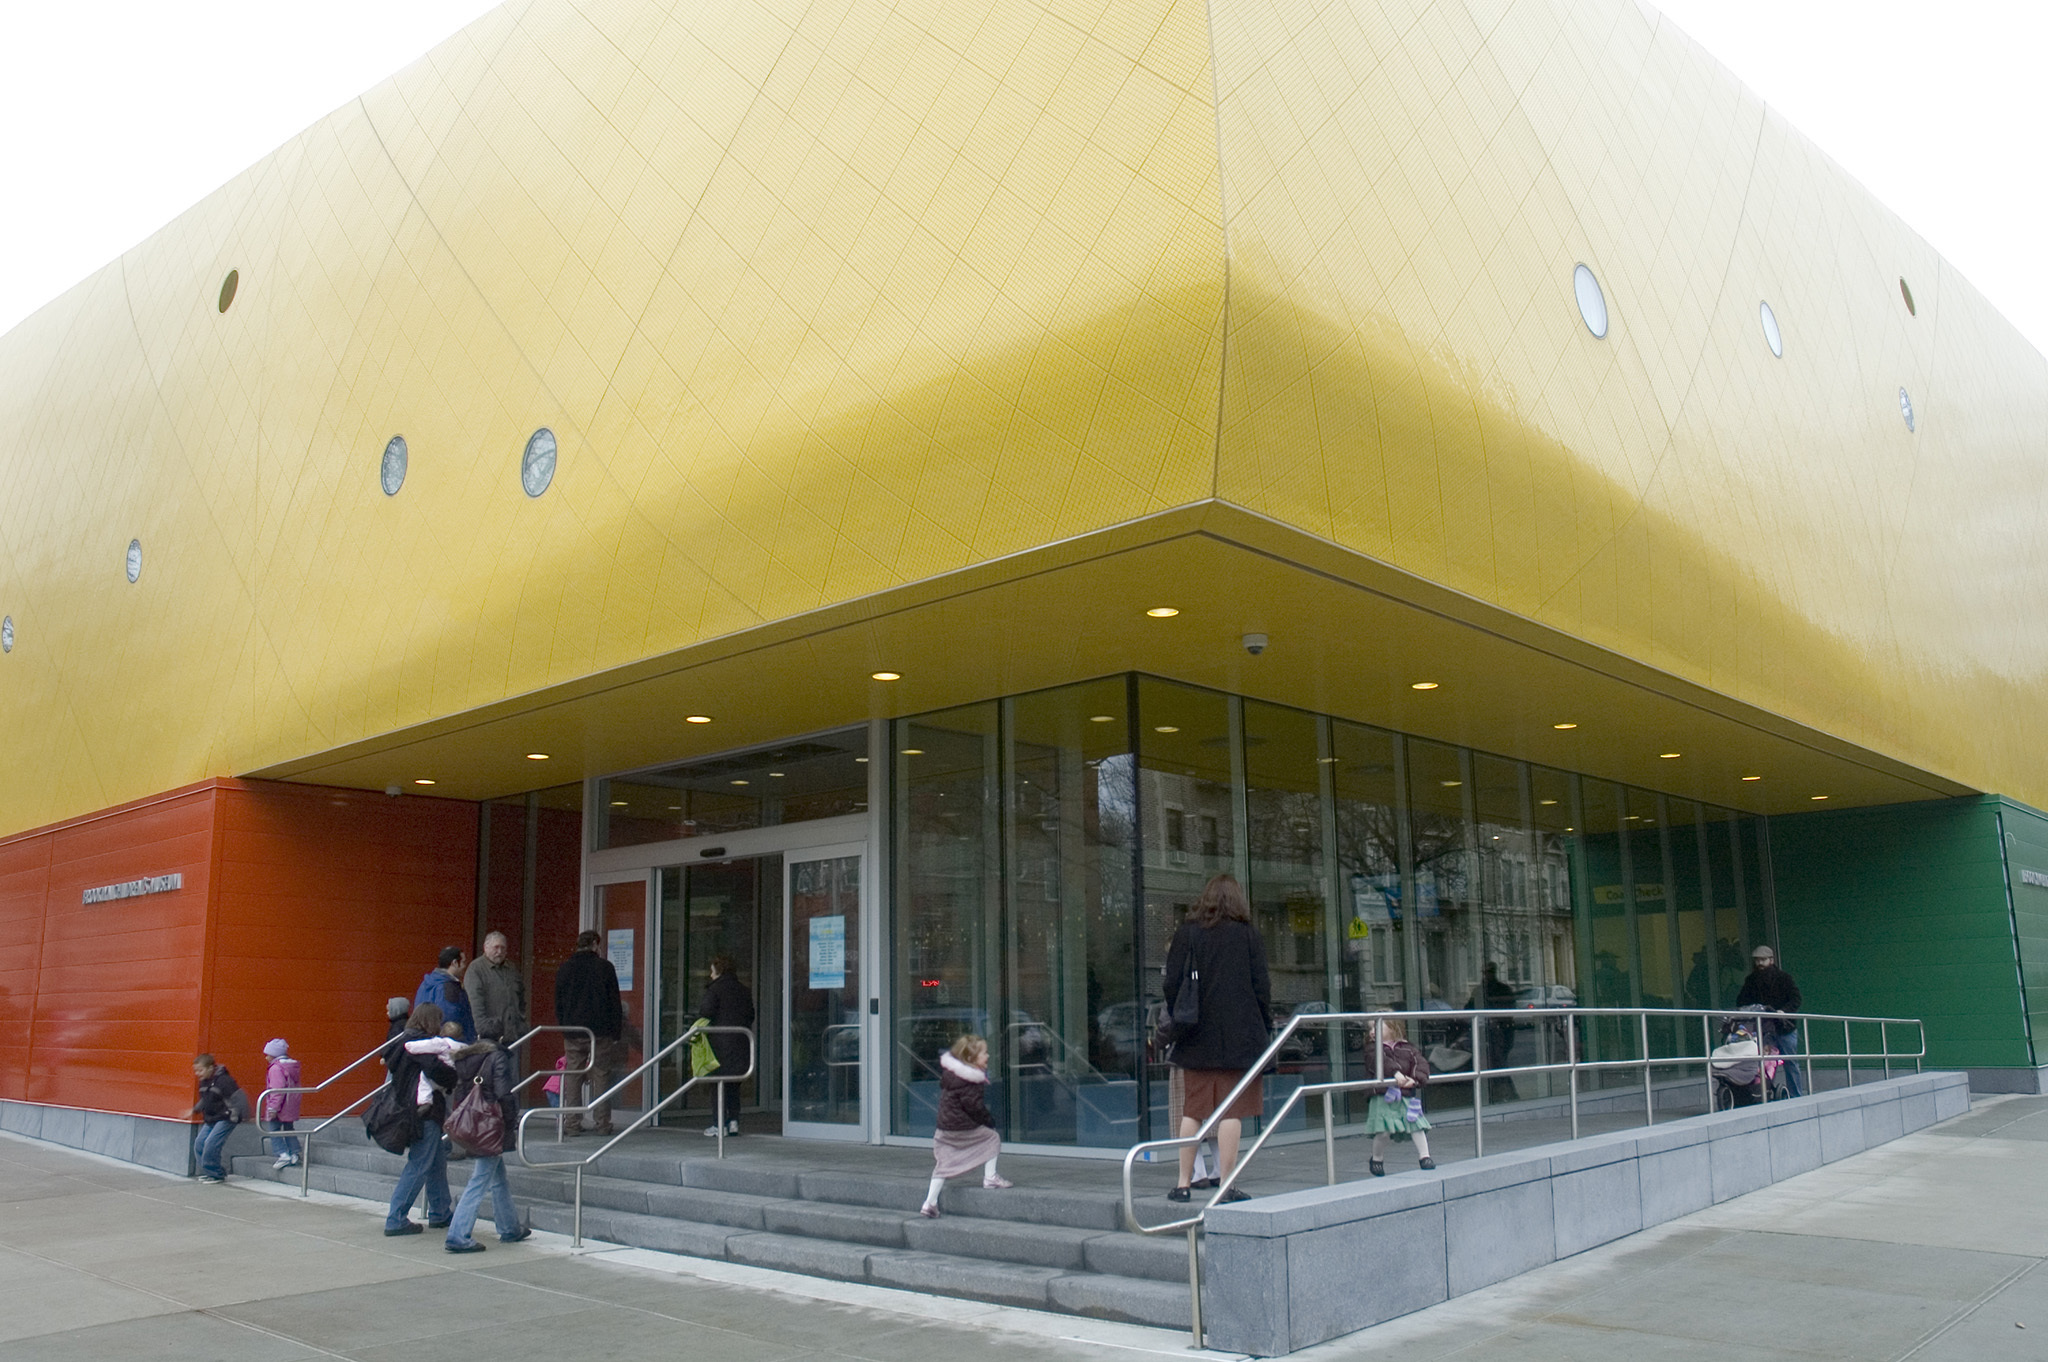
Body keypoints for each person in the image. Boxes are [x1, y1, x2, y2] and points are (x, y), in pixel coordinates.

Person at [1162, 873, 1271, 1203]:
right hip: (1240, 1035)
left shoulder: (1188, 933)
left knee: (1192, 1110)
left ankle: (1183, 1183)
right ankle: (1226, 1185)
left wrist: (1180, 1015)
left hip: (1196, 1033)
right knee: (1231, 1111)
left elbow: (1171, 983)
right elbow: (1261, 987)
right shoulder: (1248, 936)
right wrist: (1264, 1026)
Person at [443, 1019, 531, 1253]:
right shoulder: (498, 1056)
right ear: (500, 1038)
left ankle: (510, 1227)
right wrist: (511, 1122)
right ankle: (457, 1235)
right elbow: (504, 1092)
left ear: (479, 1035)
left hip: (474, 1123)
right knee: (480, 1179)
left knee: (497, 1176)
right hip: (491, 1124)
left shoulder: (465, 1057)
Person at [383, 1002, 458, 1235]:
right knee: (420, 1163)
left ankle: (441, 1211)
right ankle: (396, 1218)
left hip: (410, 1108)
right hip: (426, 1111)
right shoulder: (424, 1047)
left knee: (435, 1162)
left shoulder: (402, 1041)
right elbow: (444, 1074)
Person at [919, 1034, 1010, 1217]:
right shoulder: (971, 1080)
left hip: (944, 1127)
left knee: (943, 1162)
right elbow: (974, 1107)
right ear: (971, 1059)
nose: (988, 1056)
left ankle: (930, 1202)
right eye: (984, 1053)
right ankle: (990, 1177)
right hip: (961, 1126)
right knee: (992, 1138)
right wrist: (988, 1120)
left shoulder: (951, 1076)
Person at [554, 929, 625, 1136]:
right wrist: (615, 1032)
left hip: (573, 1031)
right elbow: (614, 1002)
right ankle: (602, 1123)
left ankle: (572, 1123)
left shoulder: (565, 968)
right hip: (600, 1031)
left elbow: (558, 1001)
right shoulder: (605, 968)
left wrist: (564, 1025)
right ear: (595, 944)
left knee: (573, 1076)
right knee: (601, 1075)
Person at [1363, 1013, 1435, 1175]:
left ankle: (1425, 1156)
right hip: (1383, 1094)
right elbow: (1378, 1061)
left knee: (1417, 1125)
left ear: (1393, 1027)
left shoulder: (1408, 1048)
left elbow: (1420, 1063)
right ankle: (1377, 1157)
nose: (1372, 1031)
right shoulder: (1372, 1049)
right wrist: (1395, 1073)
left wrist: (1415, 1079)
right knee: (1383, 1131)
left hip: (1406, 1094)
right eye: (1370, 1028)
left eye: (1377, 1027)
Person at [694, 953, 755, 1138]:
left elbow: (706, 1011)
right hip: (740, 1041)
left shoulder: (715, 989)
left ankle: (718, 1124)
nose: (710, 975)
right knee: (734, 1085)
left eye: (712, 971)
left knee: (717, 1084)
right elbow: (751, 1014)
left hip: (719, 1043)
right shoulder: (744, 990)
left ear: (718, 971)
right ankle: (734, 1122)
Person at [1737, 945, 1804, 1097]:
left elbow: (1796, 999)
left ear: (1771, 960)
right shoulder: (1751, 980)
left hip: (1784, 1027)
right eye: (1757, 960)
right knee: (1763, 1063)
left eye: (1763, 960)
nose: (1759, 963)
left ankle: (1796, 1097)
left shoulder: (1784, 978)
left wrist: (1783, 1012)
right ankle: (1764, 1093)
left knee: (1790, 1062)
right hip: (1763, 1028)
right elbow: (1741, 1001)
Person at [464, 931, 527, 1062]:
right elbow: (475, 1003)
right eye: (496, 947)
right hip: (490, 1039)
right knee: (493, 1078)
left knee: (513, 1080)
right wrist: (485, 1029)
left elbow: (521, 997)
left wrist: (521, 1022)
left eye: (503, 948)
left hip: (512, 1036)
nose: (499, 951)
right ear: (485, 948)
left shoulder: (511, 968)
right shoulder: (476, 969)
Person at [187, 1054, 246, 1184]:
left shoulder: (225, 1081)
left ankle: (216, 1174)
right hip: (211, 1118)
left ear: (210, 1068)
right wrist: (195, 1110)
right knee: (199, 1143)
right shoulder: (204, 1082)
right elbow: (206, 1100)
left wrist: (241, 1115)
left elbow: (238, 1098)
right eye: (196, 1071)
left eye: (200, 1070)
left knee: (211, 1144)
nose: (197, 1074)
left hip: (226, 1117)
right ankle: (210, 1172)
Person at [1465, 961, 1517, 1103]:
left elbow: (1509, 1012)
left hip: (1500, 1033)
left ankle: (1504, 1093)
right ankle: (1500, 1094)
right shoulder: (1480, 990)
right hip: (1488, 1033)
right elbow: (1468, 1009)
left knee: (1499, 1063)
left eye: (1489, 972)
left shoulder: (1501, 990)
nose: (1486, 975)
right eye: (1485, 972)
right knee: (1496, 1064)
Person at [415, 947, 475, 1043]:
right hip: (450, 1044)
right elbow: (450, 1021)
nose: (465, 966)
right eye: (463, 962)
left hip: (428, 1042)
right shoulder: (449, 987)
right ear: (454, 963)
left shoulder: (426, 983)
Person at [260, 1038, 303, 1168]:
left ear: (274, 1055)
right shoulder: (291, 1067)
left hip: (279, 1107)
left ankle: (282, 1154)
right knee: (288, 1129)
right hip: (290, 1105)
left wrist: (272, 1108)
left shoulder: (276, 1069)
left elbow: (276, 1090)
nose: (266, 1057)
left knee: (274, 1130)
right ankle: (294, 1152)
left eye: (268, 1054)